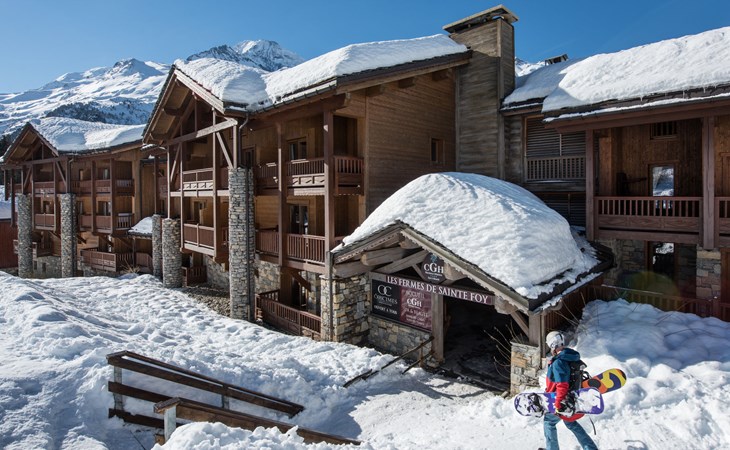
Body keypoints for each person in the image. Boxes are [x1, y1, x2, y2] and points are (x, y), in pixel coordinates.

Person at [542, 331, 598, 450]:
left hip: (563, 401)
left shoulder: (559, 362)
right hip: (572, 401)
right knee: (570, 422)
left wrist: (558, 404)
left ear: (552, 345)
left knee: (549, 422)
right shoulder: (571, 357)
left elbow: (562, 385)